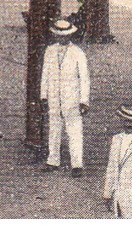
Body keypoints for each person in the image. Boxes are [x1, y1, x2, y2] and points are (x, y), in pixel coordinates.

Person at [41, 18, 91, 174]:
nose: (62, 38)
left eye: (65, 35)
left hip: (72, 99)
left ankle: (77, 165)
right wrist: (44, 96)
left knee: (74, 131)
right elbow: (45, 75)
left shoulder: (78, 53)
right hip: (54, 97)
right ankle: (52, 160)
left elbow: (84, 78)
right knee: (54, 129)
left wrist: (84, 101)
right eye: (58, 35)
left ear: (70, 36)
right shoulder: (49, 51)